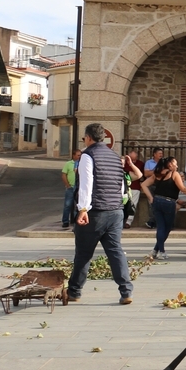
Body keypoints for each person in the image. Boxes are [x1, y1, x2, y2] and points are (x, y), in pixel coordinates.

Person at [68, 123, 133, 305]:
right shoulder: (114, 156)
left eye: (84, 138)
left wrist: (83, 209)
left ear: (88, 137)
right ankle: (126, 291)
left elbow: (86, 184)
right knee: (115, 252)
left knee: (83, 253)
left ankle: (74, 291)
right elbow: (121, 186)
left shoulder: (88, 155)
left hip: (96, 212)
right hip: (116, 211)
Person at [139, 156, 186, 259]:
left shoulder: (157, 174)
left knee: (161, 227)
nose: (177, 165)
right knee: (167, 228)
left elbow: (143, 185)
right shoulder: (174, 174)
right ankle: (161, 251)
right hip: (169, 202)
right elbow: (183, 189)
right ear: (170, 164)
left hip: (157, 201)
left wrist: (151, 198)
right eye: (175, 163)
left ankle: (156, 250)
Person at [120, 153, 143, 230]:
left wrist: (131, 164)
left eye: (123, 164)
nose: (122, 166)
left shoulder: (126, 174)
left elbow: (139, 175)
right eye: (120, 163)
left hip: (124, 202)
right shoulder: (111, 173)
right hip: (114, 203)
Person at [61, 148, 82, 228]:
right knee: (67, 205)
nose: (79, 157)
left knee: (78, 205)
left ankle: (77, 221)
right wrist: (67, 185)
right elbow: (63, 175)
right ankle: (65, 221)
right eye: (78, 155)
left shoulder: (81, 163)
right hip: (70, 187)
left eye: (80, 155)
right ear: (73, 155)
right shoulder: (68, 164)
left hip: (78, 188)